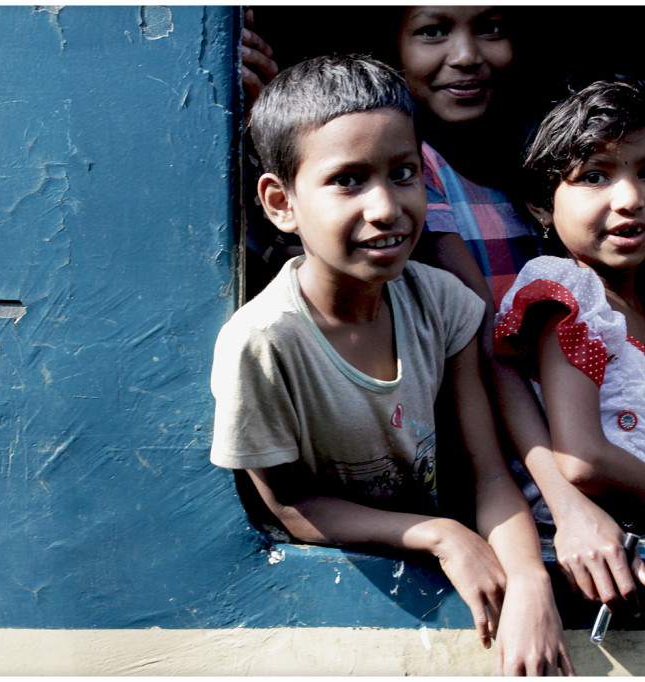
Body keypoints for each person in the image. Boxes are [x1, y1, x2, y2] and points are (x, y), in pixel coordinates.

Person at [210, 54, 573, 675]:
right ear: (280, 202)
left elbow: (488, 476)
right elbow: (291, 504)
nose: (385, 207)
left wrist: (531, 583)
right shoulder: (264, 341)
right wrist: (437, 534)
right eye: (348, 180)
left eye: (402, 173)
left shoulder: (445, 306)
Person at [494, 78, 645, 540]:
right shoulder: (568, 292)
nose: (630, 199)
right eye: (594, 176)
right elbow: (582, 460)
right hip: (588, 549)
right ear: (541, 205)